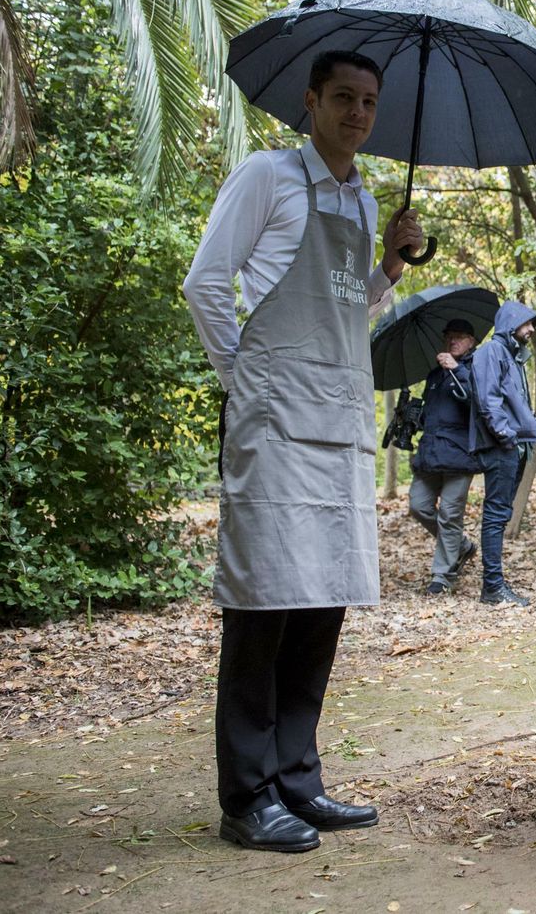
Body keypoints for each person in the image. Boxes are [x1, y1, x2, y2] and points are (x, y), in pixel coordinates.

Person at [182, 49, 425, 853]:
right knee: (265, 600)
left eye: (370, 102)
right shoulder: (268, 177)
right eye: (344, 97)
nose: (358, 113)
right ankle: (247, 797)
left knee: (322, 598)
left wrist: (390, 263)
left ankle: (297, 779)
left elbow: (350, 309)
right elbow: (206, 283)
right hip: (276, 421)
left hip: (338, 424)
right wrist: (244, 378)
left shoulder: (362, 200)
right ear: (311, 101)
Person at [468, 300, 536, 607]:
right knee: (496, 515)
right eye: (527, 322)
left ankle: (495, 585)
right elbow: (488, 400)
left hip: (514, 445)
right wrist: (506, 435)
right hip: (502, 447)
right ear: (511, 322)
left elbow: (511, 400)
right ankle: (493, 588)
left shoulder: (512, 356)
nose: (532, 329)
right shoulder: (492, 351)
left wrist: (527, 425)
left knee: (500, 515)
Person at [409, 318, 481, 594]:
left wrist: (458, 370)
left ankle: (442, 576)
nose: (453, 341)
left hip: (460, 456)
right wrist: (413, 417)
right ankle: (461, 546)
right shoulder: (435, 375)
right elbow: (433, 416)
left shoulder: (475, 368)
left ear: (471, 341)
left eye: (459, 336)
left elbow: (479, 401)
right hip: (430, 454)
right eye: (449, 336)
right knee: (418, 505)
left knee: (450, 515)